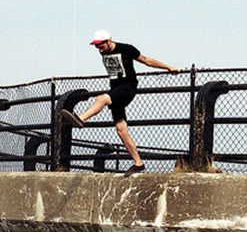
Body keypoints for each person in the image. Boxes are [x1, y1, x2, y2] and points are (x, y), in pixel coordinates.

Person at [63, 30, 179, 177]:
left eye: (101, 46)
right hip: (116, 91)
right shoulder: (103, 53)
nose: (99, 49)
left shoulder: (126, 49)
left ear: (109, 41)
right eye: (97, 47)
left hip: (128, 88)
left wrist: (169, 67)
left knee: (102, 98)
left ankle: (81, 119)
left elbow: (147, 60)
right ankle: (138, 163)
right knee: (121, 130)